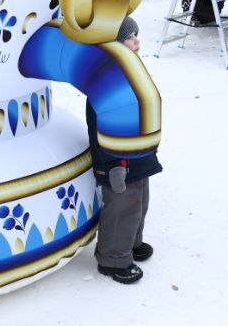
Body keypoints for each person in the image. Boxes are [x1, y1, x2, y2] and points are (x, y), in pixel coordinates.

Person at [89, 16, 161, 285]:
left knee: (139, 201)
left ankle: (131, 242)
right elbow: (103, 127)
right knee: (122, 207)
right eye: (129, 38)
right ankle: (113, 258)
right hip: (117, 160)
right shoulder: (107, 82)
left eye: (135, 35)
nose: (137, 42)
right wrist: (112, 163)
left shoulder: (130, 71)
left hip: (138, 155)